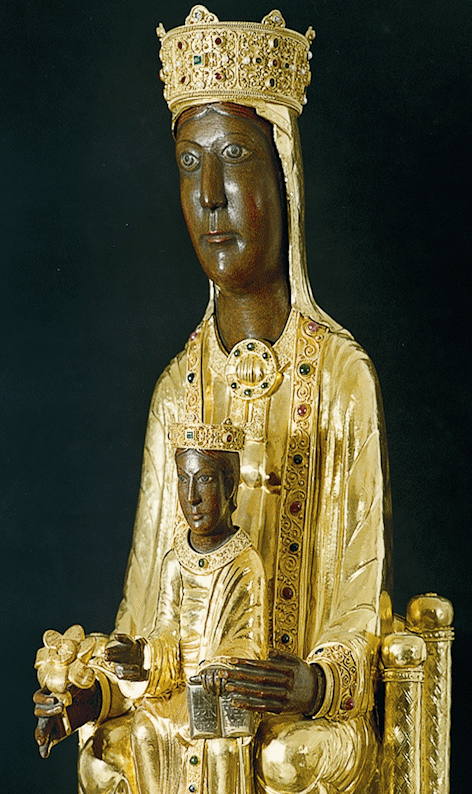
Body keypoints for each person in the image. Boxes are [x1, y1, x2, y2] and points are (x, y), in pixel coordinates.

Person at [34, 7, 392, 793]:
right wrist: (95, 691)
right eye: (189, 163)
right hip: (189, 706)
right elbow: (143, 613)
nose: (210, 196)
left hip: (300, 722)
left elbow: (358, 599)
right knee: (104, 756)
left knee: (288, 760)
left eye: (234, 157)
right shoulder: (179, 389)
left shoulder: (341, 375)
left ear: (282, 173)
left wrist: (313, 683)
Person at [104, 421, 268, 794]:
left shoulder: (245, 563)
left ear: (230, 487)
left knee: (219, 746)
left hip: (223, 691)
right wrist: (143, 654)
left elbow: (250, 639)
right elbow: (166, 630)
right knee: (145, 727)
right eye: (182, 479)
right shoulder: (174, 561)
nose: (191, 497)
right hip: (177, 688)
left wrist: (221, 666)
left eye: (204, 480)